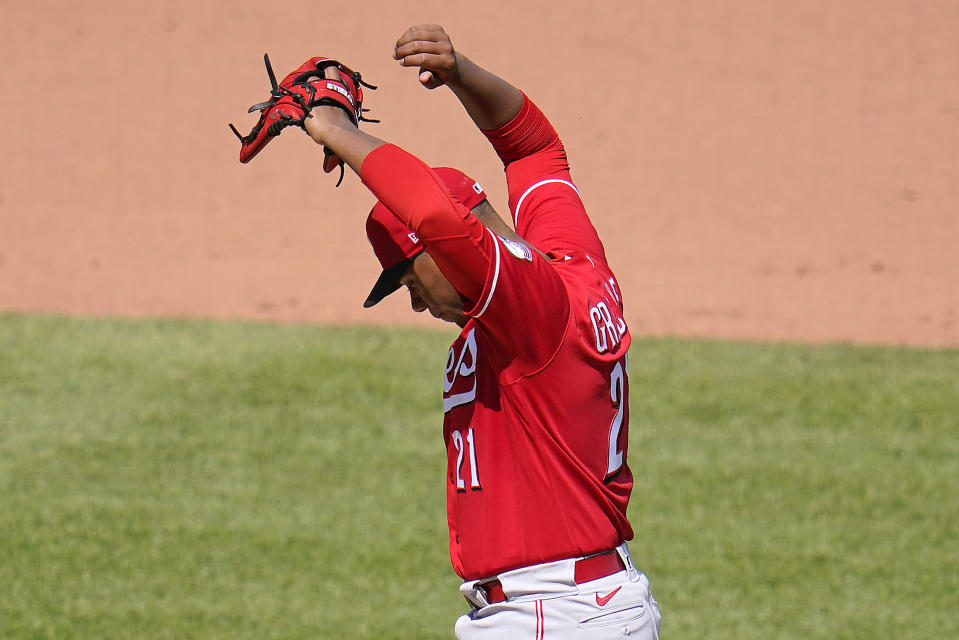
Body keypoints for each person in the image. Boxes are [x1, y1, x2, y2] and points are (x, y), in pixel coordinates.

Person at [301, 24, 661, 639]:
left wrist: (339, 129)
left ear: (447, 251)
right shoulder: (568, 266)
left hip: (555, 615)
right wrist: (461, 73)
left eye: (408, 276)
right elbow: (533, 152)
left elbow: (438, 215)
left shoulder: (532, 311)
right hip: (572, 605)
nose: (414, 303)